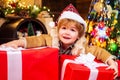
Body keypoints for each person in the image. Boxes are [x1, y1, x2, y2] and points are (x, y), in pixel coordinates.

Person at [0, 4, 118, 79]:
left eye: (72, 30)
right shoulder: (51, 39)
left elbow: (98, 51)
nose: (67, 33)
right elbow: (35, 40)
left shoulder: (81, 47)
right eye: (64, 28)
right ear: (58, 29)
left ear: (78, 35)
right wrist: (16, 43)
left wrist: (111, 62)